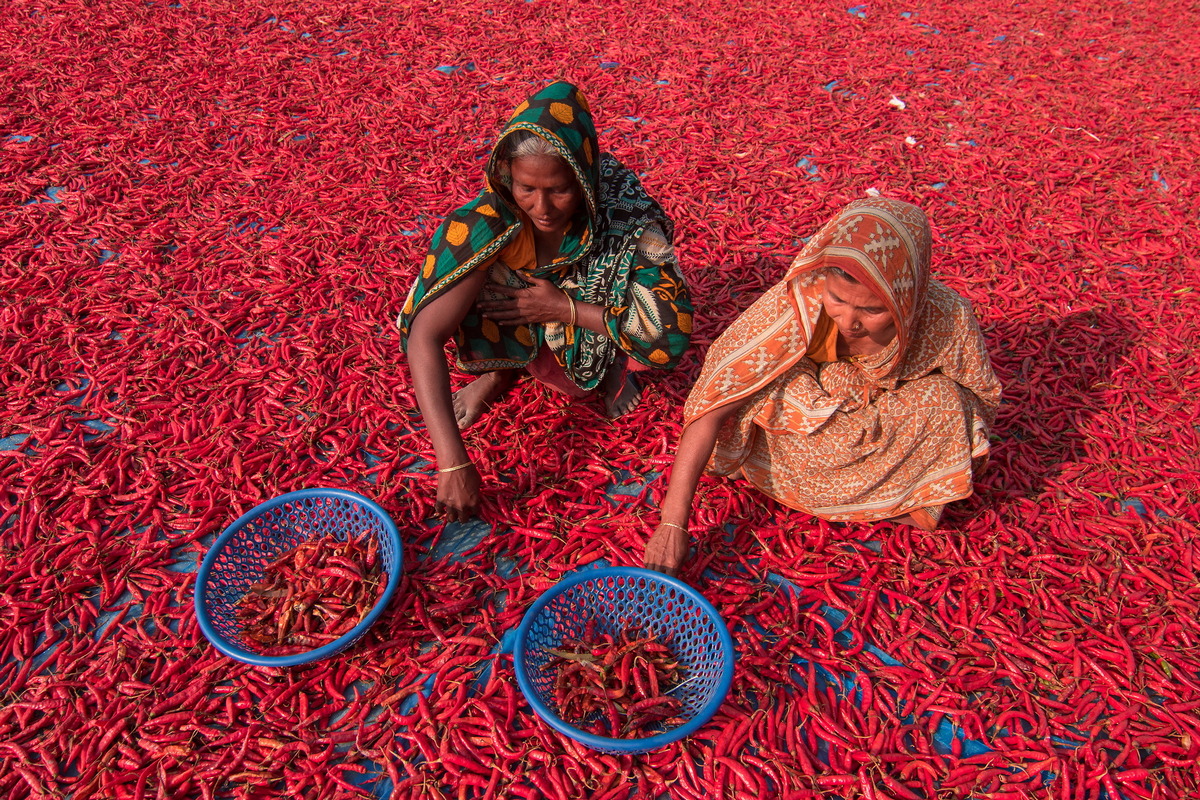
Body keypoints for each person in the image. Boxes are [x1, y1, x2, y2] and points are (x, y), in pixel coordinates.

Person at [644, 197, 1001, 576]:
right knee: (764, 388)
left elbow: (979, 398)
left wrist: (930, 426)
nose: (849, 321)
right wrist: (672, 523)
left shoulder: (946, 317)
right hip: (814, 430)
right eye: (838, 299)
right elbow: (713, 402)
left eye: (873, 310)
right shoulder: (800, 301)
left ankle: (896, 494)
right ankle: (868, 493)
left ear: (907, 298)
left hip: (889, 418)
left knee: (949, 402)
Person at [398, 81, 692, 522]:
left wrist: (563, 309)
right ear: (507, 176)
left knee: (609, 360)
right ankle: (503, 371)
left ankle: (611, 364)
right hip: (527, 303)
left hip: (582, 309)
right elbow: (424, 335)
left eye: (559, 190)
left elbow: (669, 336)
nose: (543, 207)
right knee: (456, 278)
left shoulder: (626, 215)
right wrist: (452, 463)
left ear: (584, 179)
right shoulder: (491, 217)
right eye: (526, 188)